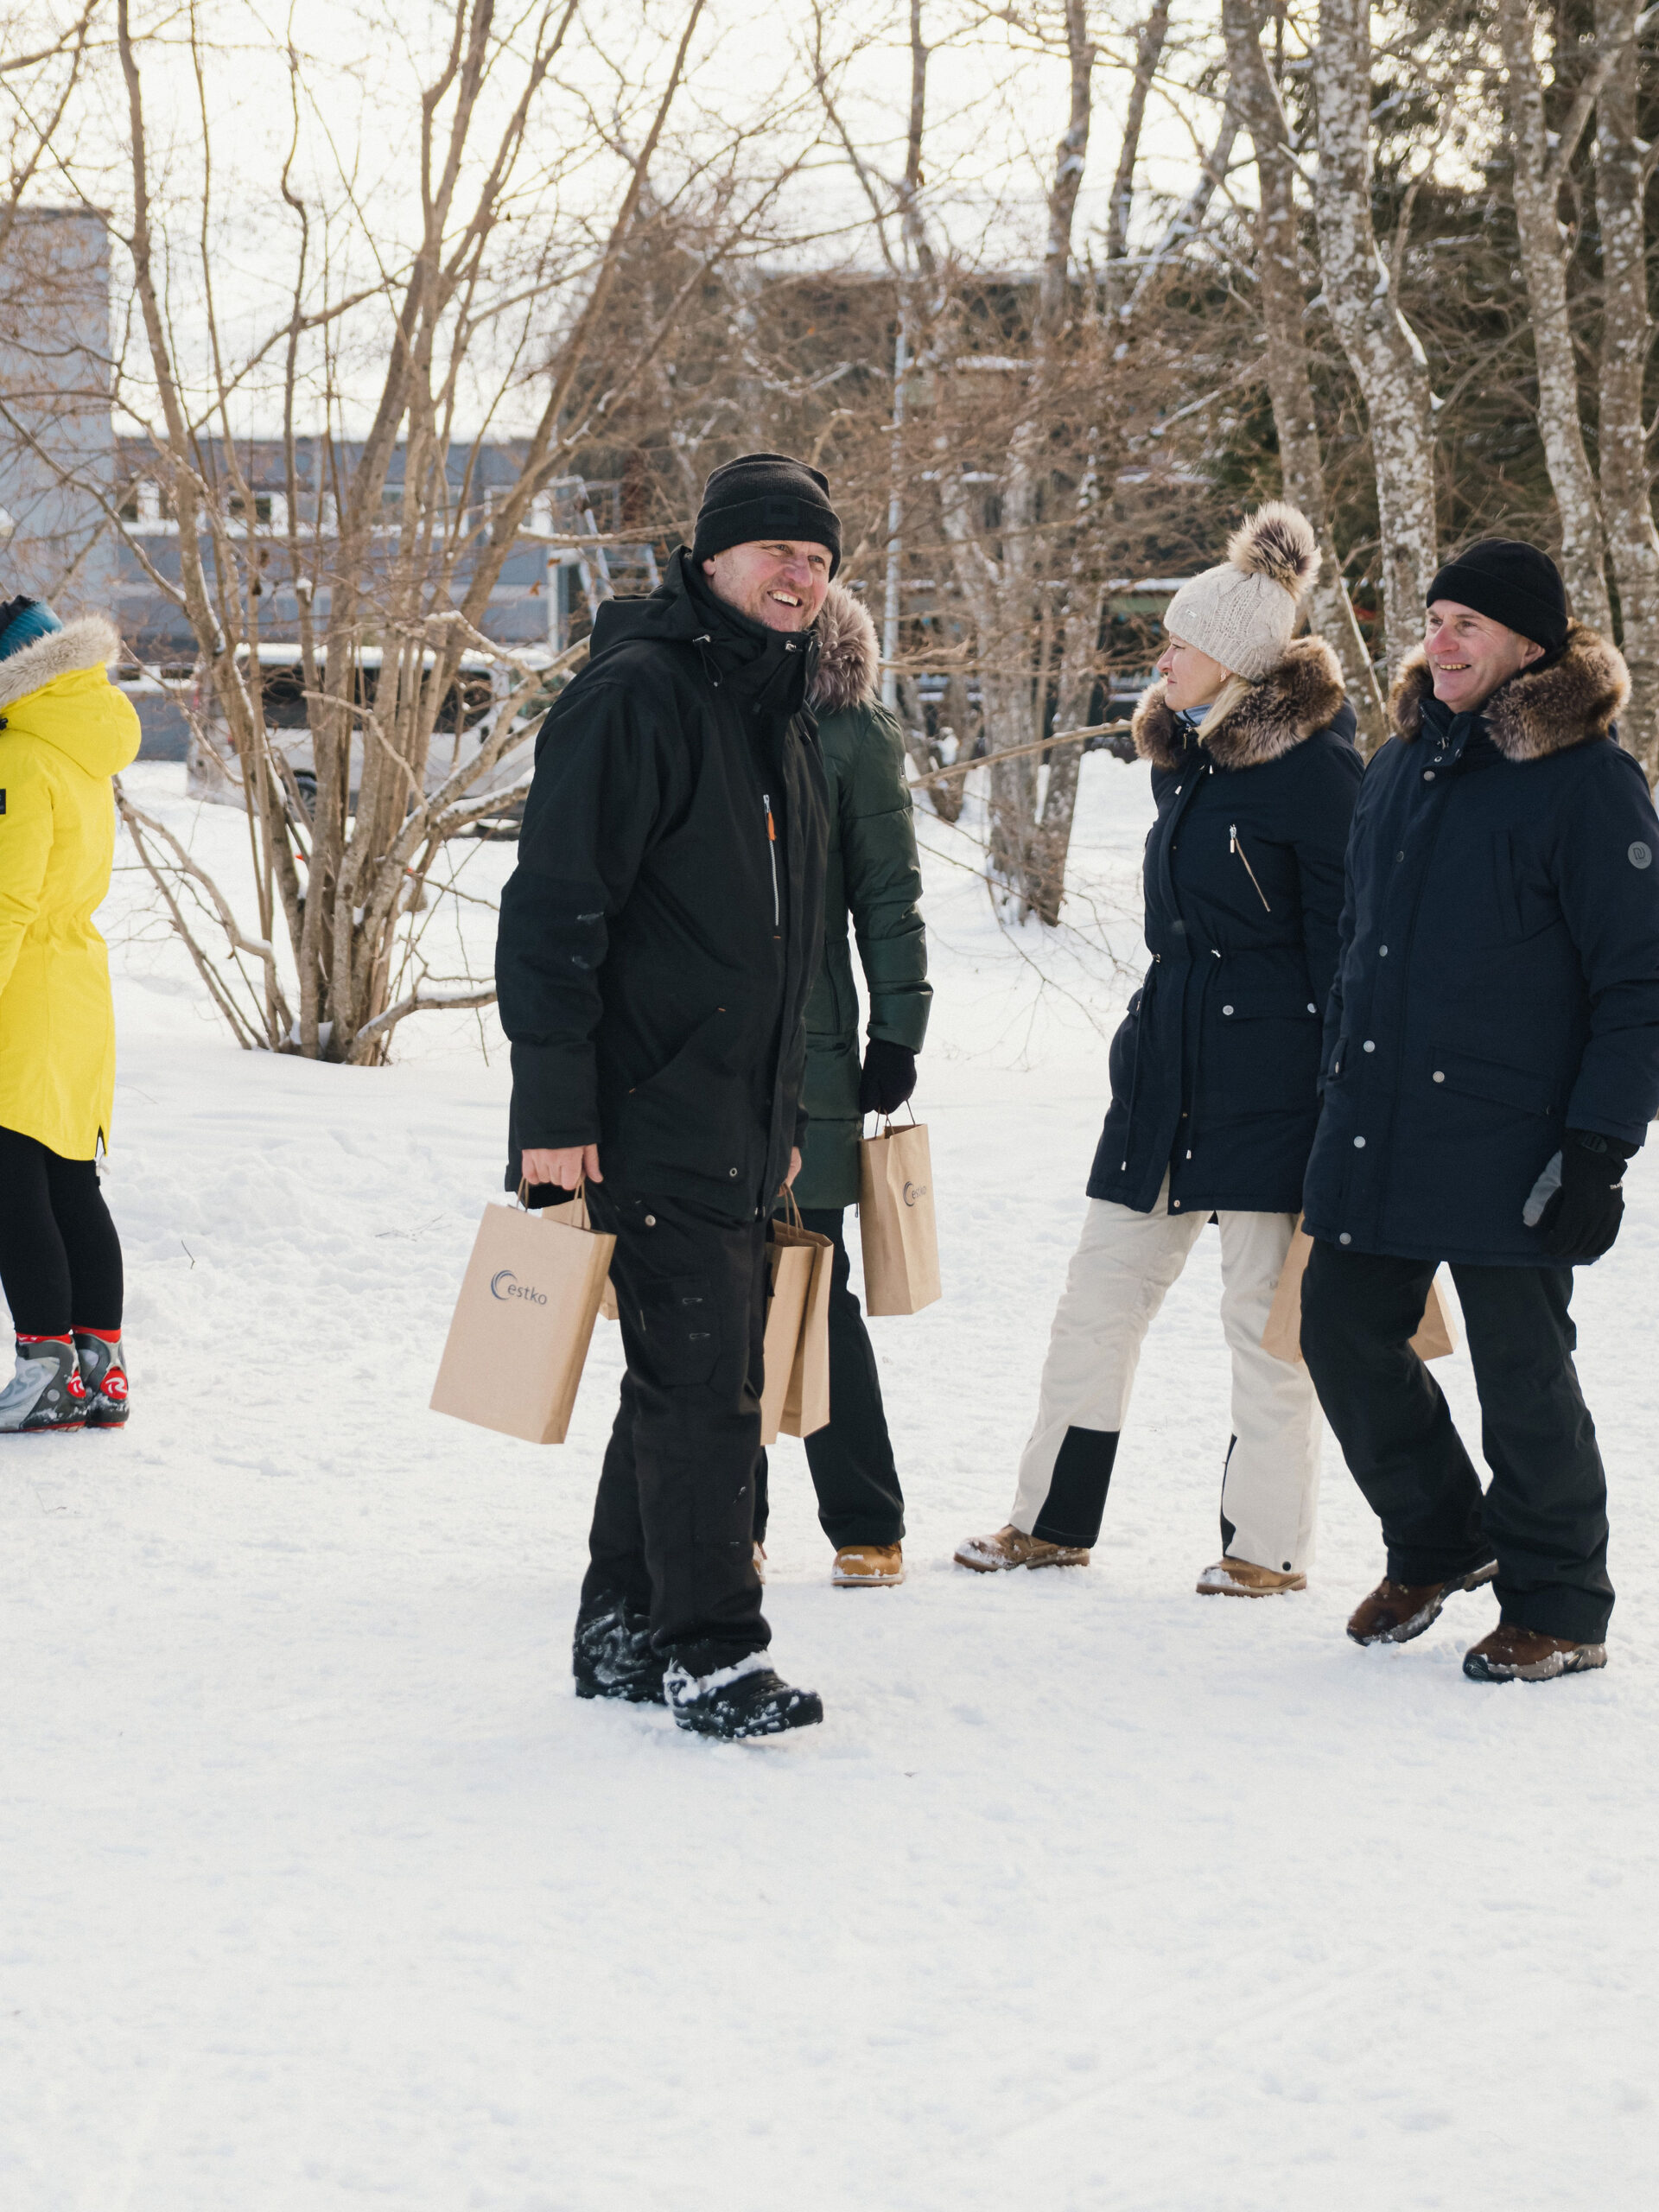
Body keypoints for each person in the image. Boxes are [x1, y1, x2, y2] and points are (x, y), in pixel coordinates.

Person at [955, 504, 1361, 1592]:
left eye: (1179, 644)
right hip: (1163, 1080)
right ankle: (1049, 1521)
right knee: (1096, 1303)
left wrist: (1341, 1097)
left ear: (1234, 659)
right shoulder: (1183, 762)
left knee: (1264, 1325)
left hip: (1275, 1088)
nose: (1161, 659)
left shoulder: (1318, 773)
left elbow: (1347, 952)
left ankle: (1266, 1548)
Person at [495, 453, 835, 1741]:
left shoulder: (777, 713)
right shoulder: (637, 696)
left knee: (687, 1375)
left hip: (736, 1115)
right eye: (777, 552)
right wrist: (554, 1119)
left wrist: (784, 1121)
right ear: (711, 560)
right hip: (644, 1106)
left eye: (818, 560)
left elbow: (785, 949)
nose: (799, 577)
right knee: (706, 1389)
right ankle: (713, 1652)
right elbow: (553, 915)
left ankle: (624, 1630)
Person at [1300, 540, 1659, 1683]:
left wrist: (1598, 1148)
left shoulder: (1589, 780)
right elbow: (1360, 945)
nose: (1441, 641)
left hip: (1516, 1133)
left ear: (1530, 646)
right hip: (1379, 1117)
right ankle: (1441, 1538)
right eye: (1434, 618)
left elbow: (1640, 979)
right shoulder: (1402, 761)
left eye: (1469, 624)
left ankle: (1561, 1604)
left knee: (1522, 1371)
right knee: (1339, 1329)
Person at [751, 581, 930, 1589]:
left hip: (811, 1054)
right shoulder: (698, 699)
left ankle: (867, 1519)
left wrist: (897, 1029)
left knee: (814, 1286)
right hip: (698, 1055)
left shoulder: (853, 730)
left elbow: (888, 890)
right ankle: (728, 1518)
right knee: (713, 1291)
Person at [0, 599, 140, 1433]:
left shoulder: (18, 755)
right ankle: (100, 1369)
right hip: (78, 984)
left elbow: (8, 899)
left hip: (23, 992)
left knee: (12, 1186)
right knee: (70, 1183)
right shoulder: (80, 743)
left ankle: (46, 1372)